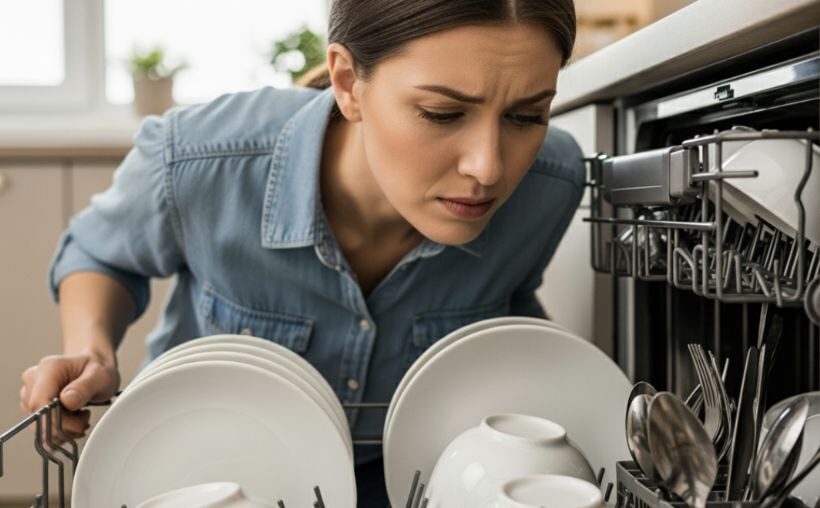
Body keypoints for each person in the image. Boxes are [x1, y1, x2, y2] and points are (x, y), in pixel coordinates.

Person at [19, 0, 582, 505]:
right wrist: (93, 351)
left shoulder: (551, 186)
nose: (488, 167)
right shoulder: (200, 161)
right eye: (442, 113)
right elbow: (99, 252)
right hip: (208, 485)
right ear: (347, 82)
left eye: (526, 116)